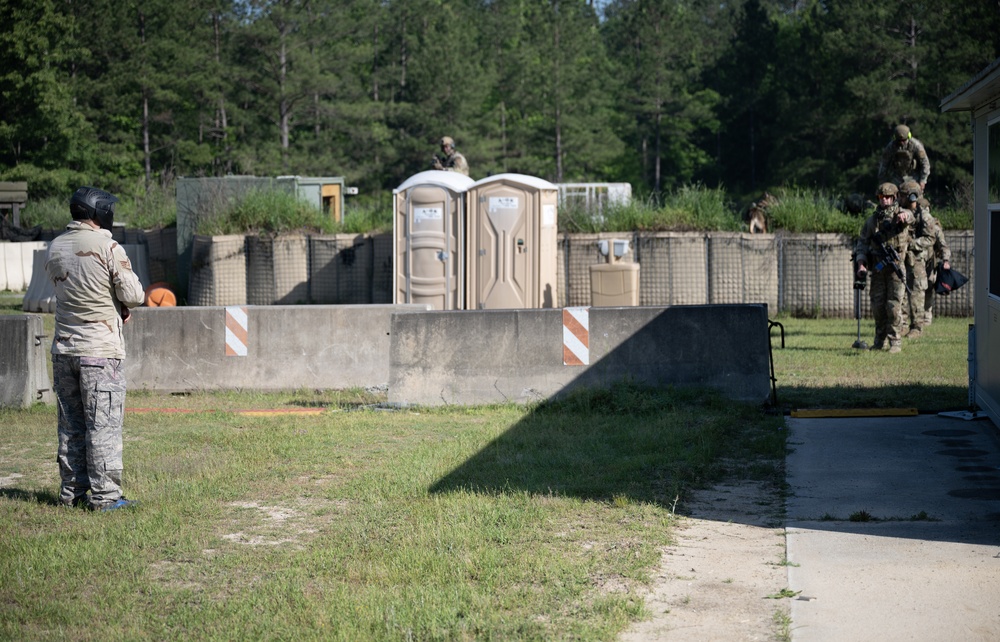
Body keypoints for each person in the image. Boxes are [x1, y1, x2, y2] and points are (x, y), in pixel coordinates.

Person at [45, 186, 146, 511]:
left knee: (71, 426)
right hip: (100, 352)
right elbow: (133, 295)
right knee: (102, 425)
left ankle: (72, 494)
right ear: (97, 212)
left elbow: (70, 289)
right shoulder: (107, 246)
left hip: (64, 350)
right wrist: (119, 307)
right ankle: (105, 498)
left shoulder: (56, 246)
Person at [854, 182, 913, 353]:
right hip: (879, 268)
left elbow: (911, 215)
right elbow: (863, 243)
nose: (885, 201)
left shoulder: (900, 214)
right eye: (882, 197)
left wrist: (904, 216)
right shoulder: (873, 221)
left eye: (888, 197)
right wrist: (861, 263)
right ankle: (879, 341)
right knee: (878, 306)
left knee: (893, 306)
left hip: (895, 267)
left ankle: (895, 342)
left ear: (894, 198)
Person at [898, 181, 936, 338]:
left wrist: (912, 243)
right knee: (900, 293)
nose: (899, 198)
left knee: (916, 294)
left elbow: (930, 238)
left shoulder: (925, 217)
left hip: (917, 260)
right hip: (901, 259)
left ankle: (916, 328)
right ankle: (901, 325)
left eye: (902, 195)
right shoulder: (900, 212)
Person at [922, 198, 951, 326]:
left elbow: (943, 245)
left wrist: (945, 260)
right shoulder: (913, 224)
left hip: (929, 263)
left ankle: (927, 318)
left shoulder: (934, 227)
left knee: (927, 290)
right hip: (913, 263)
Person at [877, 124, 930, 191]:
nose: (901, 143)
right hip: (897, 177)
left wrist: (923, 180)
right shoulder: (891, 146)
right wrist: (882, 181)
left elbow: (925, 163)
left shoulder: (916, 145)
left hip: (913, 177)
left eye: (904, 140)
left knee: (914, 197)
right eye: (899, 141)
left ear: (909, 136)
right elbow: (884, 163)